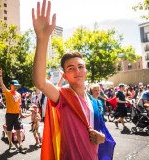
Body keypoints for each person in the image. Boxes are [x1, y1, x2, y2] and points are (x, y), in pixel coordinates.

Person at [32, 1, 115, 160]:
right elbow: (40, 82)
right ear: (65, 75)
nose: (77, 71)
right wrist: (42, 39)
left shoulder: (94, 102)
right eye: (71, 68)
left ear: (86, 70)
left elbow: (103, 132)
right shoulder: (62, 96)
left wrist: (102, 138)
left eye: (80, 66)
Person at [0, 67, 24, 152]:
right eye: (15, 85)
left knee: (18, 130)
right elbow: (1, 84)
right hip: (9, 114)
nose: (16, 87)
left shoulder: (19, 94)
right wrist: (0, 75)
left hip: (16, 115)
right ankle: (10, 143)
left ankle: (20, 144)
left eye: (17, 86)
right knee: (9, 130)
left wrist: (21, 113)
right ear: (11, 85)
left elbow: (19, 105)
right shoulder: (7, 92)